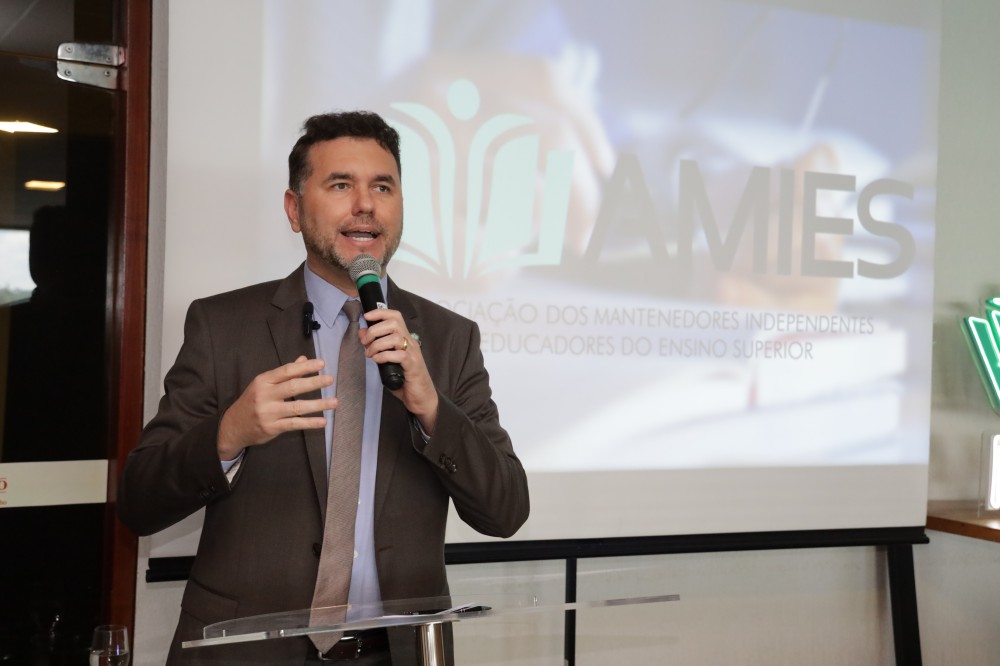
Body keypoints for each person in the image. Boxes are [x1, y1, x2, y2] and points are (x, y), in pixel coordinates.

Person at [118, 110, 530, 665]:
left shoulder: (449, 339)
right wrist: (229, 434)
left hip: (397, 653)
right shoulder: (223, 327)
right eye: (340, 185)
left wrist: (432, 409)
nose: (365, 205)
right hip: (249, 654)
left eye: (382, 187)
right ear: (294, 209)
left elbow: (506, 511)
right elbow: (140, 502)